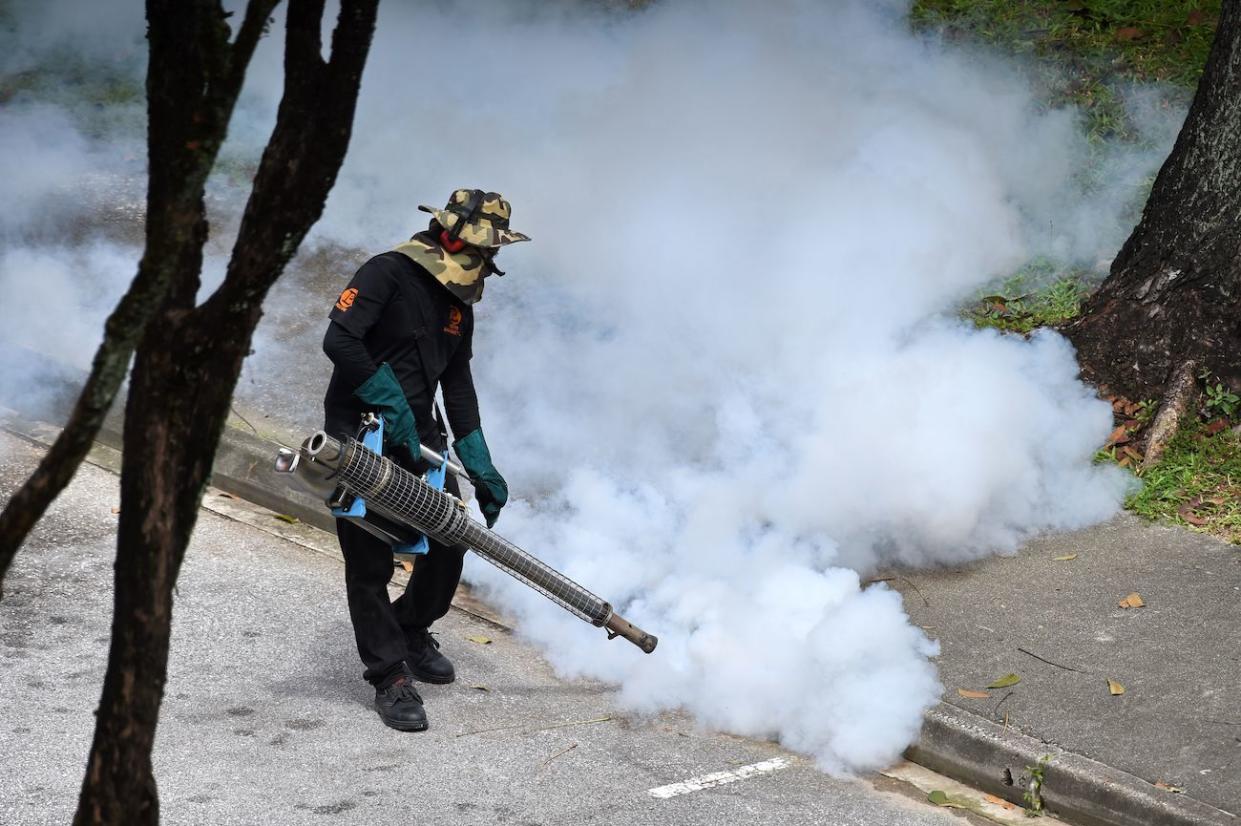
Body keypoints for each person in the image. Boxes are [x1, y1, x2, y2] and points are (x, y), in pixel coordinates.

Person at [320, 188, 529, 731]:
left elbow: (456, 383)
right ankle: (388, 674)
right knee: (370, 563)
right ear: (451, 236)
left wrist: (479, 458)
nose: (486, 263)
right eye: (481, 251)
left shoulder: (459, 304)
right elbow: (340, 340)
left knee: (448, 542)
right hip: (361, 431)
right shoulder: (385, 273)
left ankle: (409, 627)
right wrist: (386, 398)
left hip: (421, 438)